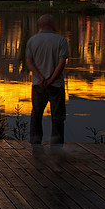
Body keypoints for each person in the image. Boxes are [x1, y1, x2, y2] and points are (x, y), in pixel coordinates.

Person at [25, 14, 70, 146]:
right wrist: (51, 80)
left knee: (36, 115)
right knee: (57, 117)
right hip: (56, 85)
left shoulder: (32, 41)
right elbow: (61, 64)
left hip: (38, 85)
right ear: (51, 24)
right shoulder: (61, 41)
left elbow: (29, 62)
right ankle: (56, 145)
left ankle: (35, 142)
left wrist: (39, 77)